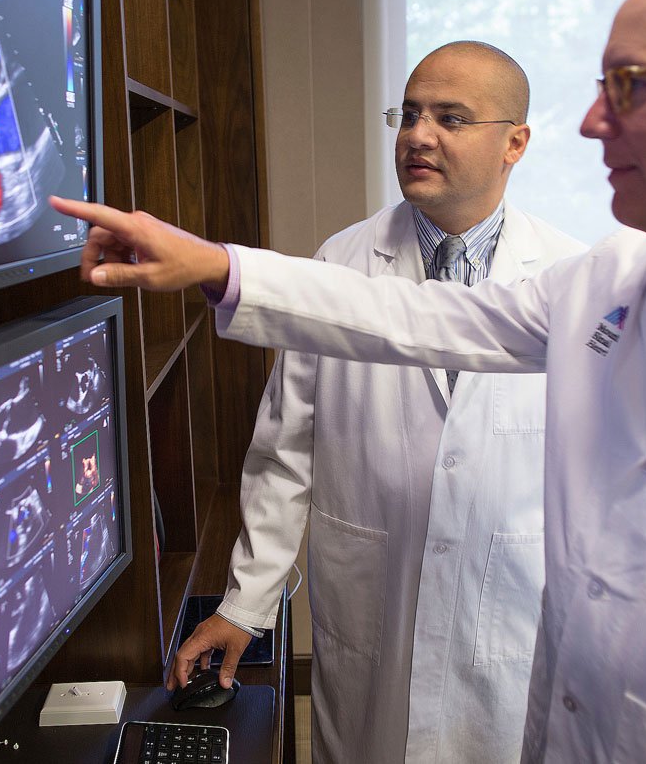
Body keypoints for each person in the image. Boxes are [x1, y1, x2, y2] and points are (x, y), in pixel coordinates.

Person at [52, 0, 646, 762]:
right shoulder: (616, 280)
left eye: (630, 85)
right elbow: (409, 318)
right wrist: (215, 264)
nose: (590, 122)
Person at [170, 42, 583, 762]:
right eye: (411, 114)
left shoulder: (569, 278)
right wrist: (245, 604)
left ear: (515, 141)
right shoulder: (344, 262)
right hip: (372, 612)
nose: (419, 135)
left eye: (451, 117)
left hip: (509, 618)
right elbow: (285, 450)